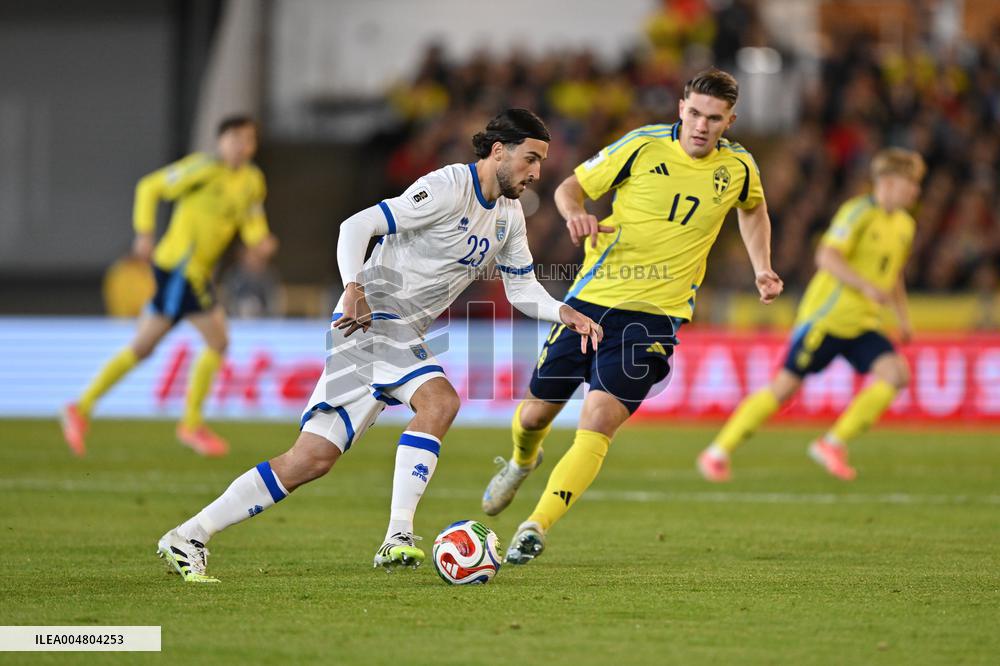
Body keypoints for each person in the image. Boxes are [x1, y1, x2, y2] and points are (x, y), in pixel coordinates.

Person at [155, 109, 603, 583]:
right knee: (440, 401)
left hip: (394, 331)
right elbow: (355, 227)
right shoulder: (447, 188)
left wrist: (564, 311)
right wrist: (354, 288)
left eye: (541, 163)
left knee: (310, 459)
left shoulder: (509, 217)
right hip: (369, 319)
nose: (537, 172)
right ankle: (398, 537)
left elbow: (522, 289)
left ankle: (189, 535)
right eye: (531, 159)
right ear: (499, 151)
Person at [481, 68, 783, 564]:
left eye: (714, 118)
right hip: (592, 300)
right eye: (694, 114)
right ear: (680, 108)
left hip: (656, 319)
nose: (702, 126)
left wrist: (763, 268)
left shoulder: (740, 167)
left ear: (730, 120)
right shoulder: (642, 146)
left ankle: (537, 524)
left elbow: (753, 209)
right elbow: (568, 190)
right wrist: (575, 213)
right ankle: (520, 461)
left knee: (599, 419)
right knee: (535, 413)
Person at [698, 148, 924, 482]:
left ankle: (832, 443)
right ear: (889, 182)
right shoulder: (858, 213)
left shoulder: (905, 225)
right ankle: (717, 452)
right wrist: (865, 287)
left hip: (862, 324)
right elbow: (826, 256)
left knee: (896, 374)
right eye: (911, 183)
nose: (916, 191)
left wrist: (903, 318)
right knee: (784, 389)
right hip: (826, 320)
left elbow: (894, 275)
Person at [60, 115, 278, 458]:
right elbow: (149, 187)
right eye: (234, 138)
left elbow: (250, 220)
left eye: (248, 139)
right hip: (180, 268)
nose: (241, 146)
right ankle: (190, 424)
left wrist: (260, 241)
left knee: (144, 346)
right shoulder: (202, 169)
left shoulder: (252, 180)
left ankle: (81, 408)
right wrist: (144, 233)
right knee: (218, 340)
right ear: (220, 142)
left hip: (194, 272)